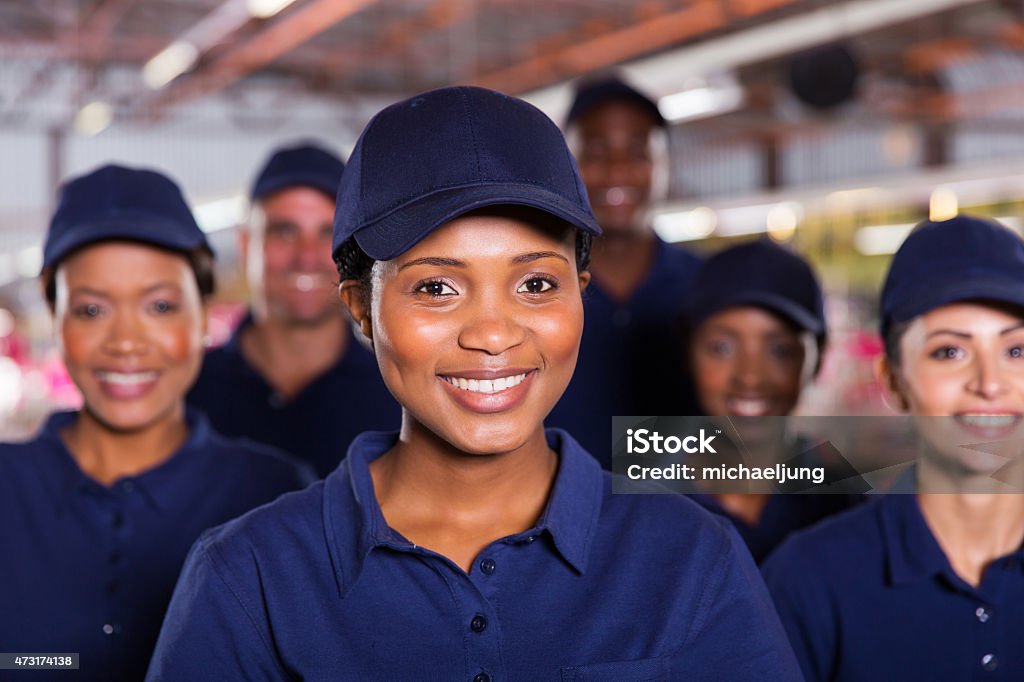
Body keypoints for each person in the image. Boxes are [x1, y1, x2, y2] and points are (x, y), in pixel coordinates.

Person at [147, 86, 800, 681]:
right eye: (436, 287)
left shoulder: (692, 558)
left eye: (536, 284)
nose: (493, 333)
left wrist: (836, 463)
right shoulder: (248, 577)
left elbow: (810, 449)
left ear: (582, 291)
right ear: (360, 307)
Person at [0, 165, 313, 681]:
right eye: (92, 310)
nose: (126, 342)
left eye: (160, 306)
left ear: (203, 315)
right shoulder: (8, 488)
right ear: (55, 318)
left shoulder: (277, 494)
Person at [762, 215, 1024, 681]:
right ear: (893, 381)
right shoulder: (808, 581)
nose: (989, 384)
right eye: (950, 352)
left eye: (1016, 351)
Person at [188, 143, 400, 476]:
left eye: (328, 234)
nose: (306, 256)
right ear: (246, 244)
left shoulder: (398, 397)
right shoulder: (185, 391)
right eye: (285, 232)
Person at [546, 75, 702, 467]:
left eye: (637, 152)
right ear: (567, 165)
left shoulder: (709, 289)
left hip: (678, 516)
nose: (617, 170)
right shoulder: (530, 290)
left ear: (664, 166)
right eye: (596, 153)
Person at [682, 240, 861, 562]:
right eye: (721, 348)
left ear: (818, 360)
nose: (750, 377)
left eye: (780, 350)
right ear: (687, 354)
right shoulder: (635, 502)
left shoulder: (847, 507)